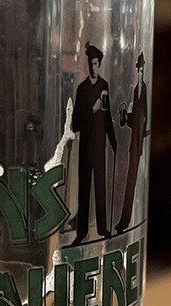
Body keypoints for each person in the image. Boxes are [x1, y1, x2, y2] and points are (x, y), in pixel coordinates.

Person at [71, 42, 116, 246]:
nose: (93, 67)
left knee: (100, 188)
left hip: (100, 147)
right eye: (90, 63)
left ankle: (102, 228)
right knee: (84, 189)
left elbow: (108, 116)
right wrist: (93, 109)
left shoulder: (104, 85)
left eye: (96, 63)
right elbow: (75, 124)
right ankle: (81, 232)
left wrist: (113, 140)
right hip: (85, 147)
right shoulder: (82, 89)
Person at [114, 53, 148, 235]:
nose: (139, 71)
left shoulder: (142, 88)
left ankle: (125, 219)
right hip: (132, 141)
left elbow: (142, 115)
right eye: (138, 68)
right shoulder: (136, 89)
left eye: (141, 68)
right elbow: (136, 116)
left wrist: (133, 122)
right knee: (128, 181)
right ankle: (124, 219)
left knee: (131, 182)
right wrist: (125, 117)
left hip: (137, 142)